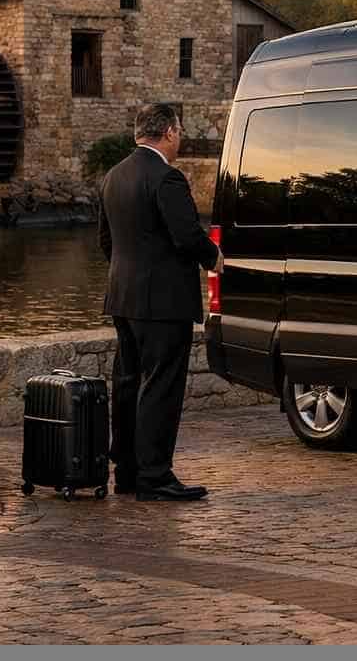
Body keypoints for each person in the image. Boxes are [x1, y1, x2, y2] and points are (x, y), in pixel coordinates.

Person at [99, 103, 222, 502]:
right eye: (179, 132)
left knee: (128, 383)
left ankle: (128, 473)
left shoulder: (113, 176)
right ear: (168, 132)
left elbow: (106, 242)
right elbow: (187, 236)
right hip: (164, 303)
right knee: (161, 387)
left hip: (122, 297)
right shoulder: (167, 178)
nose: (180, 139)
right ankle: (155, 475)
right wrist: (214, 259)